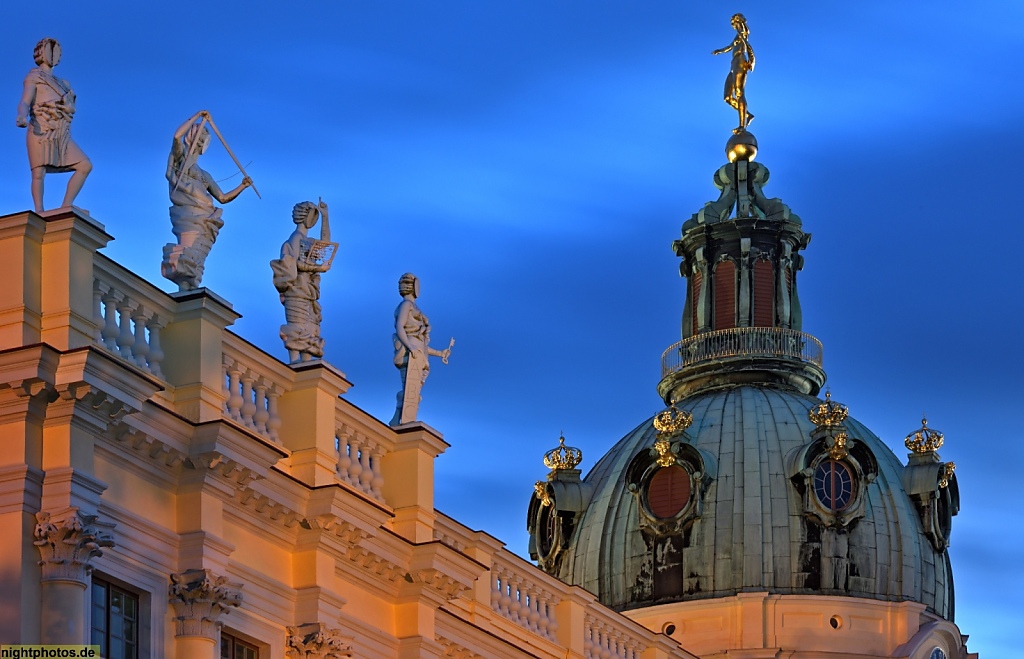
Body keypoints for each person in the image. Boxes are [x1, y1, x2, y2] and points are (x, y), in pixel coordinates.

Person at [161, 110, 252, 291]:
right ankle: (185, 284)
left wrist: (243, 186)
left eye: (203, 138)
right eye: (198, 135)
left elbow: (223, 197)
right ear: (191, 136)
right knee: (188, 253)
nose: (200, 140)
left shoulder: (204, 175)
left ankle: (190, 286)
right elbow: (177, 136)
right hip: (188, 215)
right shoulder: (180, 160)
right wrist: (196, 116)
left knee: (197, 257)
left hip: (206, 218)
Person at [15, 38, 92, 213]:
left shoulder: (64, 84)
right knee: (38, 172)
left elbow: (71, 106)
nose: (55, 55)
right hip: (40, 128)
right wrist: (21, 115)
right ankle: (39, 211)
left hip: (61, 131)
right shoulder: (34, 77)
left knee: (85, 165)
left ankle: (66, 205)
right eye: (51, 50)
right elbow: (25, 101)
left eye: (57, 52)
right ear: (41, 53)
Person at [270, 199, 335, 363]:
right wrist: (317, 269)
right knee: (297, 330)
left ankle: (306, 363)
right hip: (297, 291)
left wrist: (325, 216)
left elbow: (325, 244)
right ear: (304, 216)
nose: (313, 219)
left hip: (308, 292)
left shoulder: (306, 240)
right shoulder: (296, 238)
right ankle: (294, 363)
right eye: (312, 215)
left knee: (310, 330)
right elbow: (294, 262)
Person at [390, 273, 453, 426]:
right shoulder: (406, 305)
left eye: (406, 283)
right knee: (410, 391)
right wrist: (410, 346)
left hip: (418, 351)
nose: (403, 286)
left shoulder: (413, 306)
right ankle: (401, 420)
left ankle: (399, 419)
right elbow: (400, 327)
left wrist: (440, 353)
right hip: (411, 349)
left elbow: (422, 346)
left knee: (413, 392)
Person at [712, 13, 756, 134]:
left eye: (735, 22)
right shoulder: (737, 37)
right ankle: (747, 114)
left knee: (739, 93)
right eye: (734, 22)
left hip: (741, 61)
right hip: (734, 64)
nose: (734, 24)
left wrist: (740, 23)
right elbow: (729, 47)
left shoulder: (743, 33)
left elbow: (745, 31)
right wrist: (719, 51)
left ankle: (742, 126)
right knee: (727, 98)